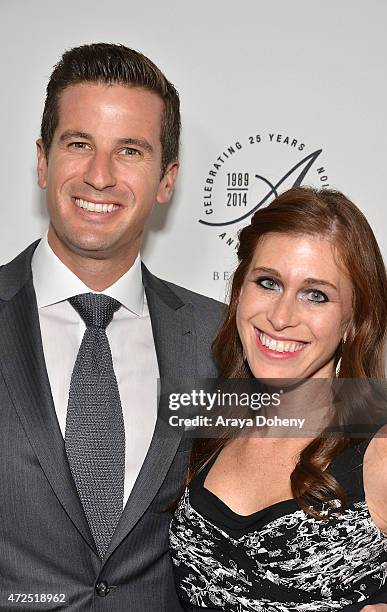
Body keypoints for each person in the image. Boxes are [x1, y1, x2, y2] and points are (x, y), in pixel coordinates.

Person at [0, 43, 223, 611]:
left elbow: (298, 499)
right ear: (43, 161)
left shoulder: (219, 338)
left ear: (167, 179)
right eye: (79, 144)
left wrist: (377, 599)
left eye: (130, 150)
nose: (99, 176)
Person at [170, 187, 387, 611]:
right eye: (268, 282)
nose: (280, 317)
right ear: (240, 290)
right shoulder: (215, 421)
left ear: (353, 320)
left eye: (315, 294)